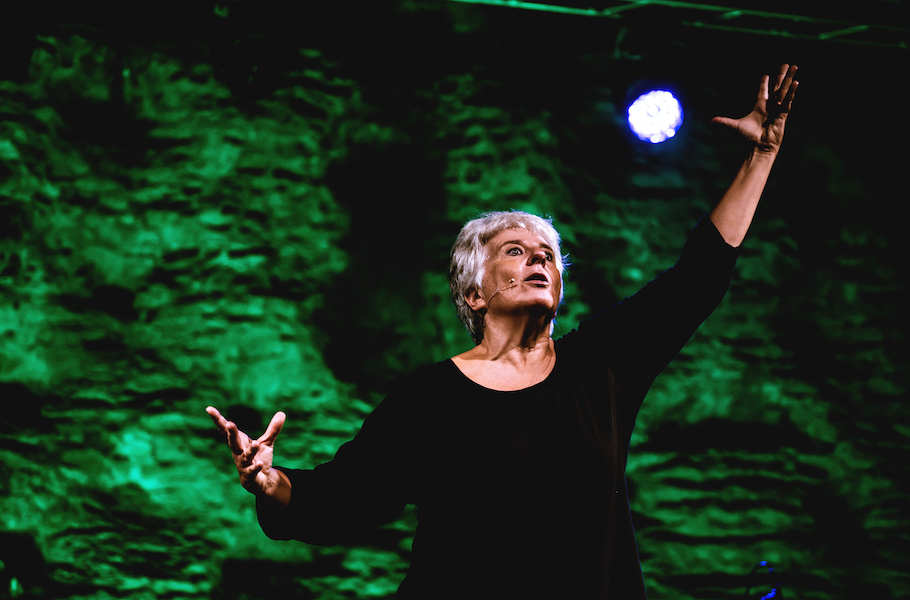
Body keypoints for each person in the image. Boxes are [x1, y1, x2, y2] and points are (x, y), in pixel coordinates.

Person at [206, 64, 799, 599]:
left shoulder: (601, 366)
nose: (538, 258)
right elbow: (346, 497)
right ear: (473, 293)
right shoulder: (430, 399)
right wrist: (270, 481)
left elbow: (697, 280)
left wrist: (761, 156)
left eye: (548, 255)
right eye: (515, 250)